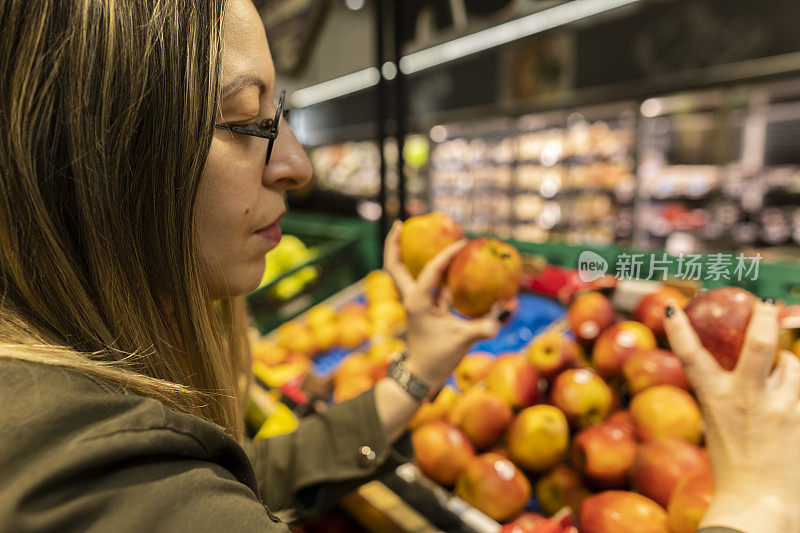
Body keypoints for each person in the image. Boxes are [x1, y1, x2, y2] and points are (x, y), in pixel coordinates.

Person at [0, 1, 796, 532]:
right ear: (100, 160)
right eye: (246, 121)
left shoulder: (72, 407)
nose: (299, 166)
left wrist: (417, 369)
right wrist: (757, 501)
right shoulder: (94, 478)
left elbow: (239, 482)